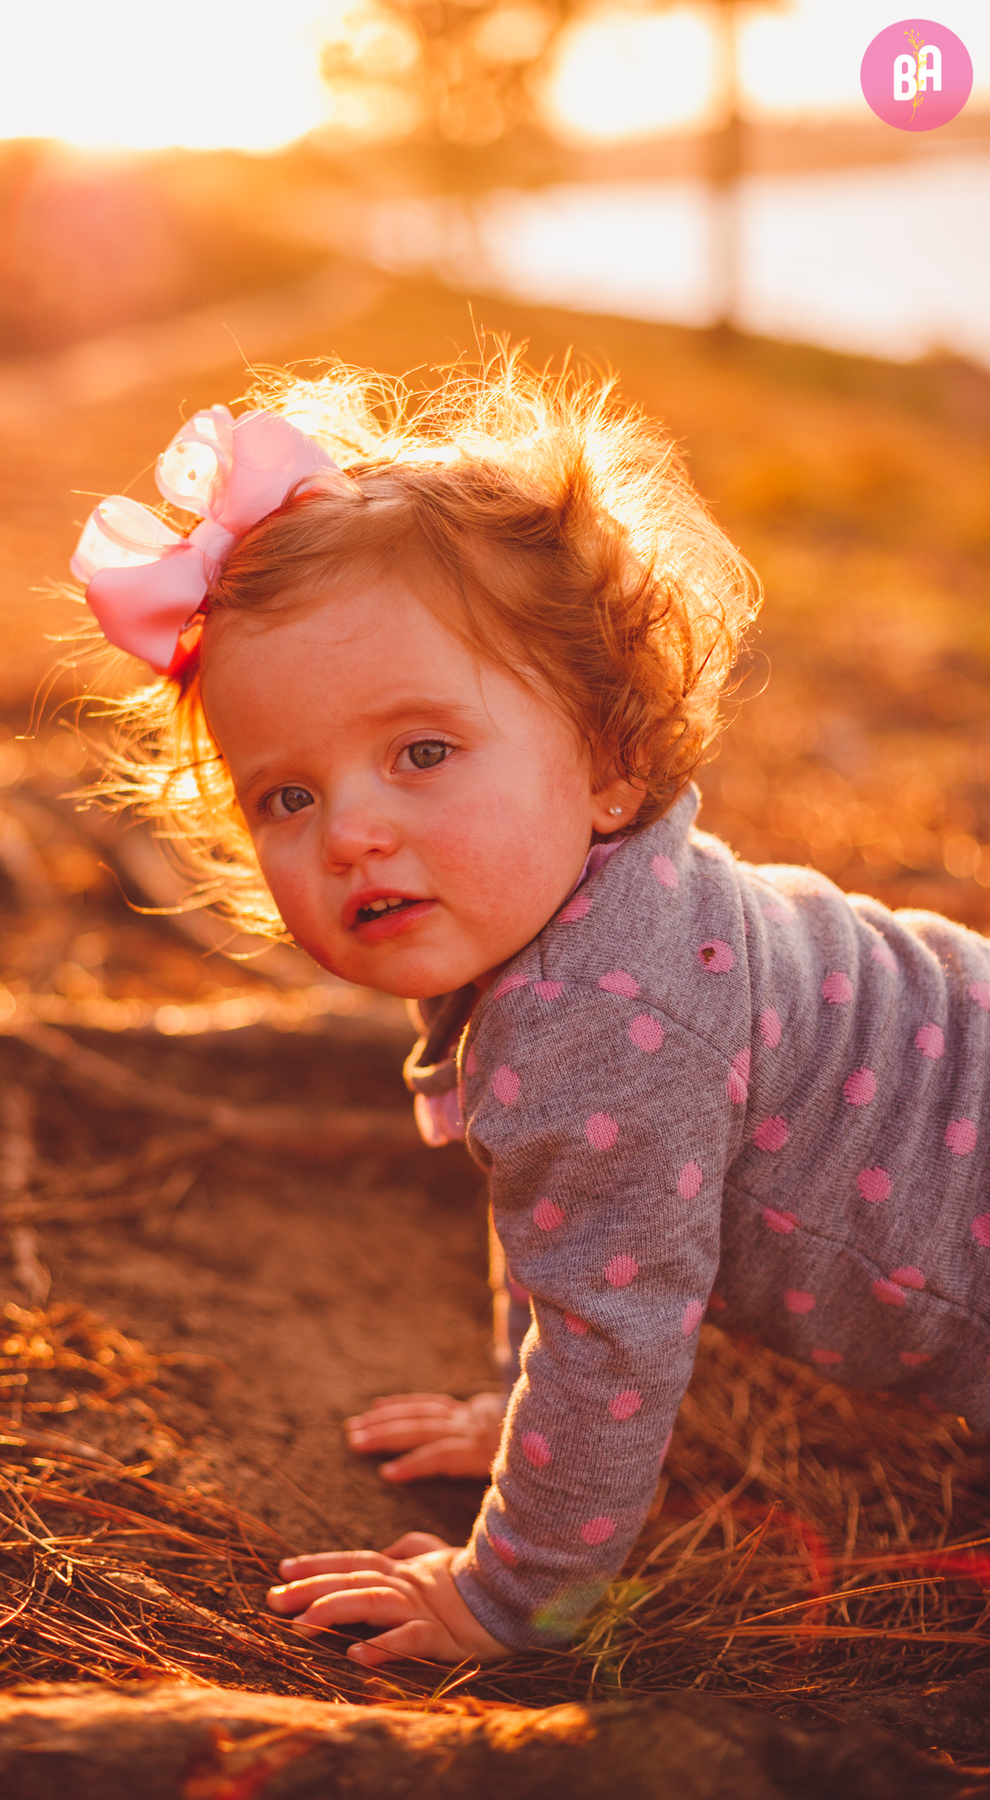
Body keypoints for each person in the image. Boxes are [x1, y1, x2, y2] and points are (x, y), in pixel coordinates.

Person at [69, 359, 990, 1670]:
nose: (353, 834)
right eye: (287, 797)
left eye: (423, 752)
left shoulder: (613, 1020)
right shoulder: (582, 933)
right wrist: (519, 1406)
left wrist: (513, 1596)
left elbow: (615, 1340)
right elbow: (570, 1236)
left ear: (609, 761)